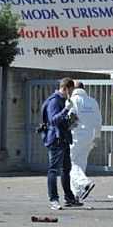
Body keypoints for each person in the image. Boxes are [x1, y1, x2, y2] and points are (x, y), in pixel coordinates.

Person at [41, 77, 82, 210]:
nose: (71, 94)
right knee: (54, 170)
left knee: (66, 169)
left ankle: (69, 198)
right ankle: (53, 199)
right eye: (70, 91)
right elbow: (53, 120)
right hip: (55, 140)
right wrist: (65, 110)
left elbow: (61, 120)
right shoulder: (54, 101)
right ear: (65, 89)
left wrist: (71, 121)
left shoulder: (63, 100)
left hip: (63, 138)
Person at [70, 81, 102, 201]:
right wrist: (96, 137)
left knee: (69, 163)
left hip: (76, 136)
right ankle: (77, 194)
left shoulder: (73, 100)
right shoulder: (92, 101)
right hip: (90, 136)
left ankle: (84, 183)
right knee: (80, 163)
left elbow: (70, 118)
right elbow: (98, 120)